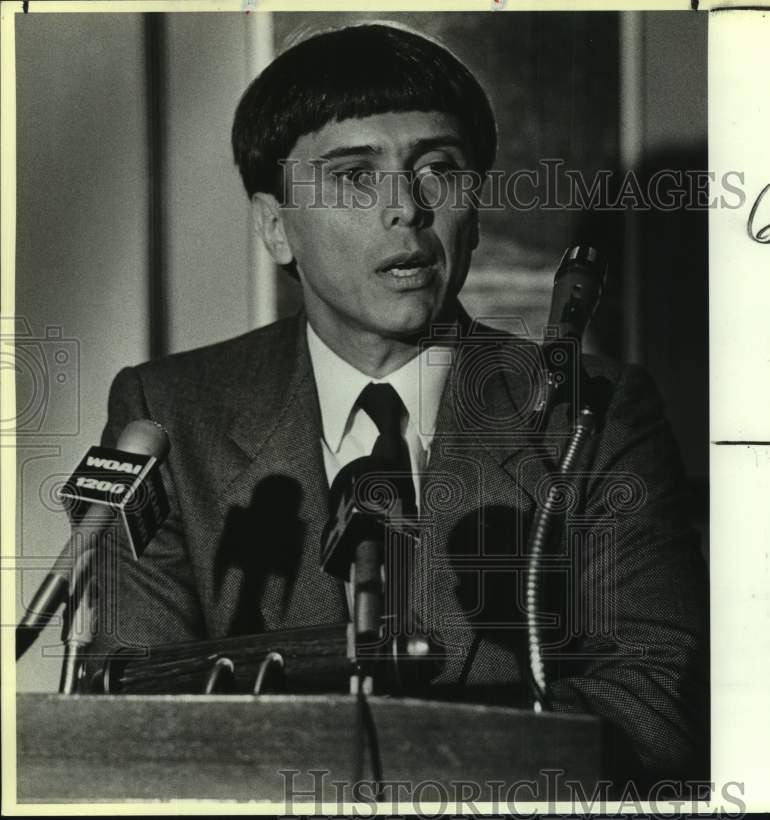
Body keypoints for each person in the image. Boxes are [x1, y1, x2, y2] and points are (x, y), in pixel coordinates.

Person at [90, 23, 708, 787]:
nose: (407, 210)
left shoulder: (595, 413)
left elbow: (655, 714)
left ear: (474, 207)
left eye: (437, 169)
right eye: (354, 176)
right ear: (275, 227)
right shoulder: (168, 415)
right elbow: (133, 709)